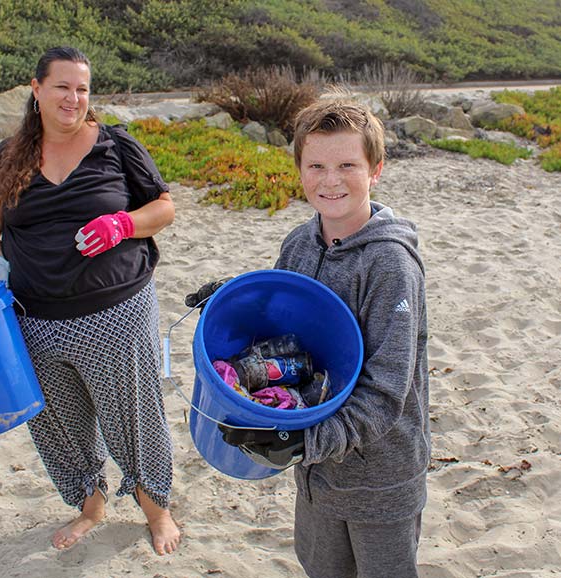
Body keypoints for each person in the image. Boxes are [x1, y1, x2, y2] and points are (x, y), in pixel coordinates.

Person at [188, 94, 429, 577]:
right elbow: (281, 328)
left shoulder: (390, 264)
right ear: (298, 167)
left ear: (375, 169)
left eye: (347, 165)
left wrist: (304, 443)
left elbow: (386, 391)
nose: (331, 180)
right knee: (321, 568)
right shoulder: (299, 243)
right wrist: (237, 296)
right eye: (316, 165)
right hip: (316, 476)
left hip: (380, 475)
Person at [0, 46, 180, 555]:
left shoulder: (117, 147)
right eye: (62, 86)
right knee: (58, 420)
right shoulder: (6, 157)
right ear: (36, 90)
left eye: (82, 88)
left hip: (117, 311)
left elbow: (164, 208)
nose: (74, 98)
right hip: (33, 318)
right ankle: (91, 505)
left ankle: (158, 511)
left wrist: (124, 223)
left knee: (133, 412)